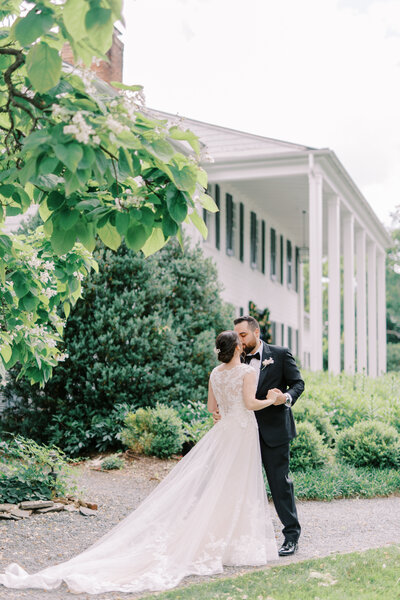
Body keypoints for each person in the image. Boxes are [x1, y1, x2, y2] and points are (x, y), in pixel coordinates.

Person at [0, 331, 278, 595]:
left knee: (222, 487)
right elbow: (250, 404)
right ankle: (233, 545)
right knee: (237, 486)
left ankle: (222, 542)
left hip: (224, 432)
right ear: (238, 348)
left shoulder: (215, 373)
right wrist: (272, 399)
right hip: (241, 433)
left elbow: (210, 408)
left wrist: (225, 413)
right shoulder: (247, 371)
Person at [214, 316, 304, 556]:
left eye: (243, 335)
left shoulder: (280, 354)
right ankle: (241, 537)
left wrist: (284, 398)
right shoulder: (234, 359)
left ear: (256, 332)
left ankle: (291, 535)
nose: (239, 341)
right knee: (240, 485)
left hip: (273, 432)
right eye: (236, 336)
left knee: (279, 484)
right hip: (241, 434)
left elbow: (298, 384)